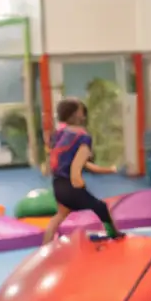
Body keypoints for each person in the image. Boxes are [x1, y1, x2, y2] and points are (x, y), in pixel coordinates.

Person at [42, 98, 119, 243]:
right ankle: (114, 234)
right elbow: (77, 167)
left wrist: (108, 170)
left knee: (60, 215)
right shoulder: (83, 137)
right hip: (72, 184)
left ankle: (44, 247)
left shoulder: (60, 133)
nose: (84, 115)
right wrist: (79, 183)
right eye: (82, 111)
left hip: (58, 183)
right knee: (101, 207)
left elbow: (76, 162)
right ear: (77, 114)